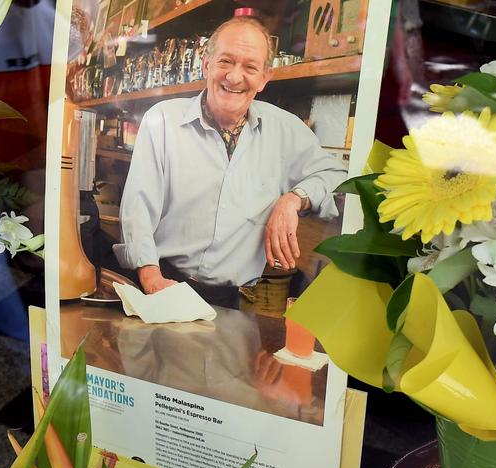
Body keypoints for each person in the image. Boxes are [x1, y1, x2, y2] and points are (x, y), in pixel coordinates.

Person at [114, 16, 347, 309]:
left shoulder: (285, 129)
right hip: (162, 282)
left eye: (250, 67)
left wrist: (293, 200)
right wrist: (150, 277)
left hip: (231, 301)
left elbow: (337, 176)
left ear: (264, 78)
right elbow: (138, 206)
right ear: (206, 65)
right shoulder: (162, 119)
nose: (235, 78)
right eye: (225, 61)